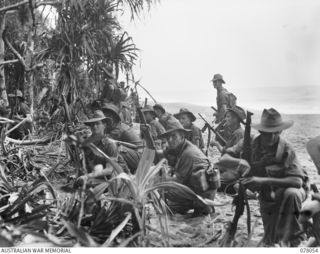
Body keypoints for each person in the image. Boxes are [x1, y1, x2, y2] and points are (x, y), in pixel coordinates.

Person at [226, 108, 308, 246]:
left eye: (275, 133)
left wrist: (261, 180)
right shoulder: (251, 143)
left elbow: (297, 181)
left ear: (280, 131)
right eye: (267, 133)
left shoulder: (286, 149)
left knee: (291, 194)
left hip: (290, 191)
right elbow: (226, 155)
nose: (271, 137)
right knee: (272, 240)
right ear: (261, 131)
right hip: (267, 195)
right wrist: (239, 163)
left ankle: (295, 240)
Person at [159, 121, 218, 216]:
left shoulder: (188, 153)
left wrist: (161, 178)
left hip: (203, 195)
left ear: (182, 137)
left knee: (165, 189)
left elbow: (178, 182)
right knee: (171, 203)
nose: (170, 140)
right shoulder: (181, 147)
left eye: (174, 136)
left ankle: (201, 207)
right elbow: (162, 153)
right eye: (168, 137)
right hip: (200, 189)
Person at [78, 110, 129, 185]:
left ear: (104, 125)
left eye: (97, 124)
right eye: (92, 124)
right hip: (96, 176)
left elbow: (109, 170)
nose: (94, 126)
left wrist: (87, 176)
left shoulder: (109, 144)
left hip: (113, 178)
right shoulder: (87, 142)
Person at [102, 103, 143, 174]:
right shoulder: (113, 126)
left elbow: (104, 140)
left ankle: (125, 173)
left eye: (107, 115)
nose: (105, 118)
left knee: (115, 147)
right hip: (132, 154)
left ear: (114, 117)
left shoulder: (119, 129)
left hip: (139, 158)